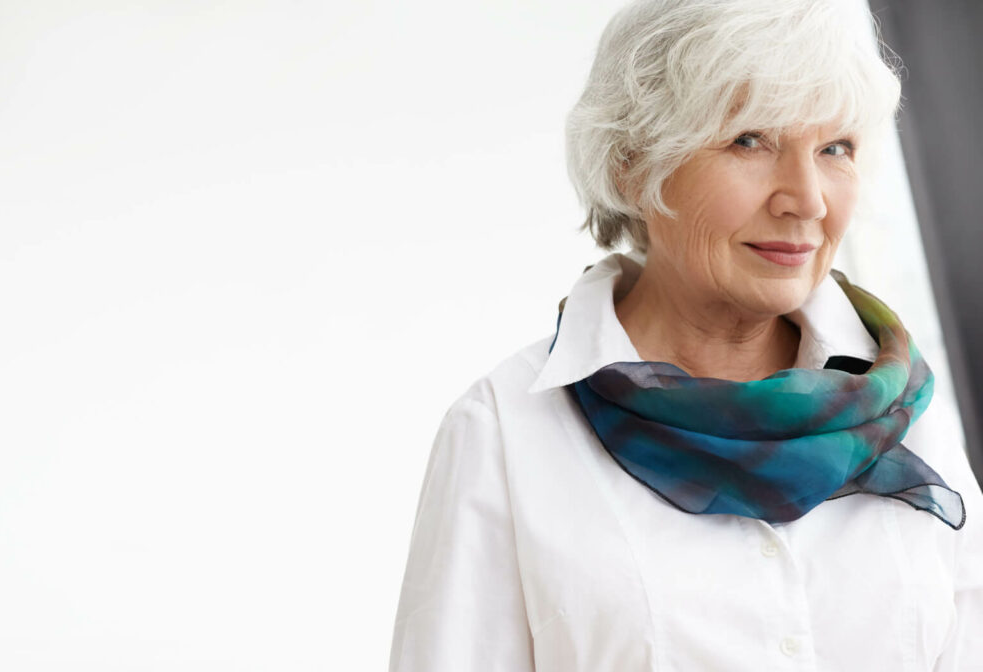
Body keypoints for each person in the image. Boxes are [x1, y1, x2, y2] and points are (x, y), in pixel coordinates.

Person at [389, 0, 983, 669]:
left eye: (834, 148)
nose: (808, 199)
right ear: (632, 165)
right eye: (750, 140)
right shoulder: (504, 433)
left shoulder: (907, 412)